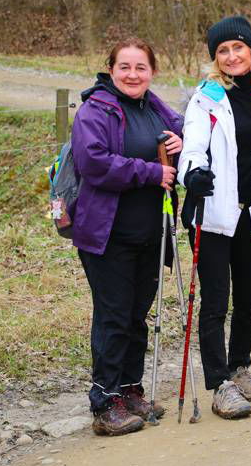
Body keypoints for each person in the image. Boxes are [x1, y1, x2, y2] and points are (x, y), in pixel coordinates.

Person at [71, 38, 183, 435]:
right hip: (108, 235)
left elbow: (184, 135)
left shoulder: (155, 107)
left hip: (153, 234)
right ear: (111, 70)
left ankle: (130, 389)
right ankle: (105, 401)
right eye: (125, 67)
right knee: (114, 316)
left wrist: (180, 144)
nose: (133, 74)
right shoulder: (95, 111)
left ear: (152, 72)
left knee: (136, 316)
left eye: (141, 67)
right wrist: (152, 172)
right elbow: (93, 162)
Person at [177, 16, 251, 420]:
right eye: (223, 50)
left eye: (239, 47)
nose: (232, 55)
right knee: (216, 301)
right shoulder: (205, 99)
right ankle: (219, 382)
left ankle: (240, 367)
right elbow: (192, 147)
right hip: (213, 212)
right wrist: (193, 174)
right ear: (215, 59)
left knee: (250, 298)